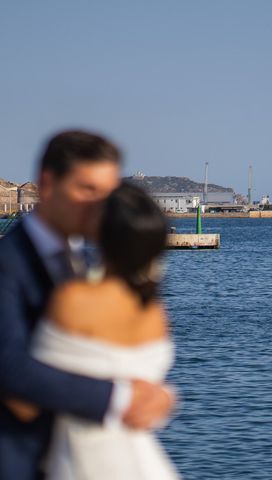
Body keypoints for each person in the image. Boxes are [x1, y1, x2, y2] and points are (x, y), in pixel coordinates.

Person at [0, 131, 174, 480]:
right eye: (87, 190)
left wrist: (163, 397)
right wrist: (119, 399)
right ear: (47, 184)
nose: (100, 206)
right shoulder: (7, 263)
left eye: (107, 194)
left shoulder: (92, 262)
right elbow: (8, 366)